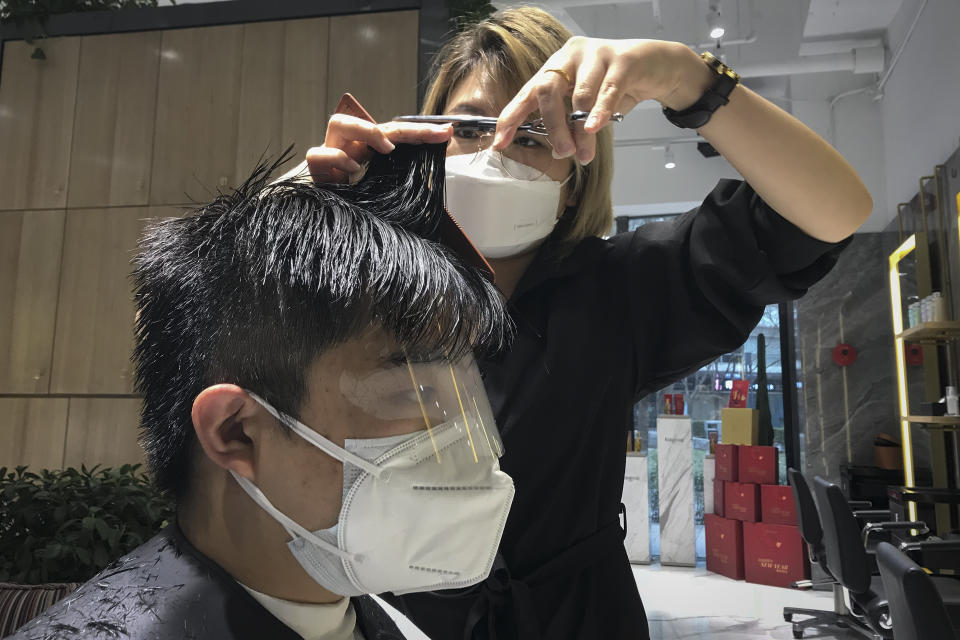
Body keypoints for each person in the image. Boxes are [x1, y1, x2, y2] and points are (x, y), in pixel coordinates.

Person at [299, 7, 873, 640]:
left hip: (574, 618)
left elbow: (830, 215)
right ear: (425, 140)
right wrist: (299, 212)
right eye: (466, 127)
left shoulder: (624, 287)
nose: (491, 153)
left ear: (574, 181)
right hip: (394, 616)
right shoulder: (371, 286)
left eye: (531, 135)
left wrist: (687, 77)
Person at [5, 144, 516, 640]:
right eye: (417, 391)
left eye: (464, 392)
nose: (460, 434)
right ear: (238, 432)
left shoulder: (388, 622)